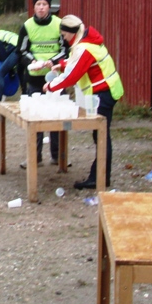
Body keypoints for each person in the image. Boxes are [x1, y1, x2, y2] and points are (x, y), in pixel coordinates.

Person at [44, 15, 123, 190]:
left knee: (101, 135)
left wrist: (50, 86)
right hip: (107, 90)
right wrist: (62, 65)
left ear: (72, 33)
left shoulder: (85, 48)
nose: (63, 38)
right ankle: (101, 175)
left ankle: (99, 177)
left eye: (64, 35)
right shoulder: (86, 41)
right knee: (101, 135)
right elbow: (77, 64)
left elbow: (73, 76)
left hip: (104, 92)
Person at [11, 0, 64, 167]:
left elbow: (66, 49)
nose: (41, 7)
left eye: (44, 4)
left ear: (49, 6)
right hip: (34, 77)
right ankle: (35, 156)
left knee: (56, 116)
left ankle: (57, 156)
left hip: (55, 77)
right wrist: (32, 61)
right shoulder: (27, 25)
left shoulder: (59, 24)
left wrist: (53, 61)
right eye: (38, 4)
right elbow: (21, 50)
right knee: (35, 117)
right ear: (33, 7)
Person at [0, 28, 20, 102]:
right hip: (23, 47)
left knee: (0, 74)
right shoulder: (1, 32)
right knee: (20, 73)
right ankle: (26, 96)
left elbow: (3, 56)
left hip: (16, 49)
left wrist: (8, 68)